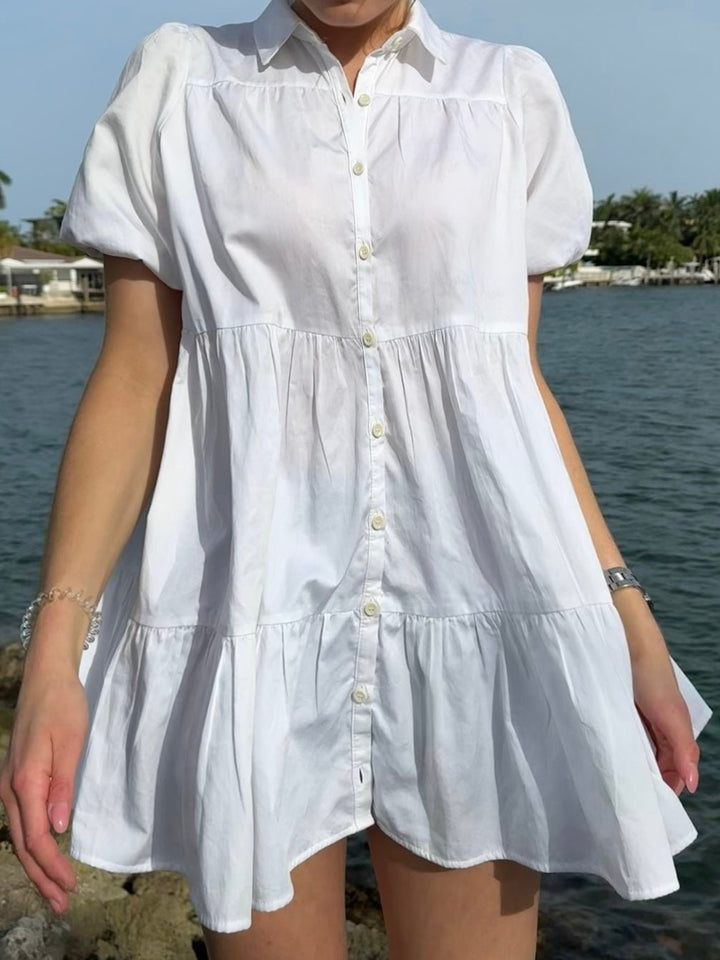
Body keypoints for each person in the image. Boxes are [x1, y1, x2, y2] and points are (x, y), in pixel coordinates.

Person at [0, 1, 713, 958]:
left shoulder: (507, 95)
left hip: (473, 621)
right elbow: (135, 379)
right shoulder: (182, 81)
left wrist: (631, 621)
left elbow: (512, 389)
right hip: (255, 624)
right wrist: (54, 657)